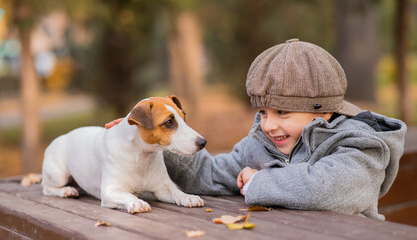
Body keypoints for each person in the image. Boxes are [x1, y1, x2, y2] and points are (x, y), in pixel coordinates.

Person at [105, 39, 407, 220]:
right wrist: (156, 143)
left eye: (282, 112)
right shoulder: (261, 144)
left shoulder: (360, 147)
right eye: (262, 112)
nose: (268, 124)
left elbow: (331, 188)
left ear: (325, 111)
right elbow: (208, 175)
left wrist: (259, 180)